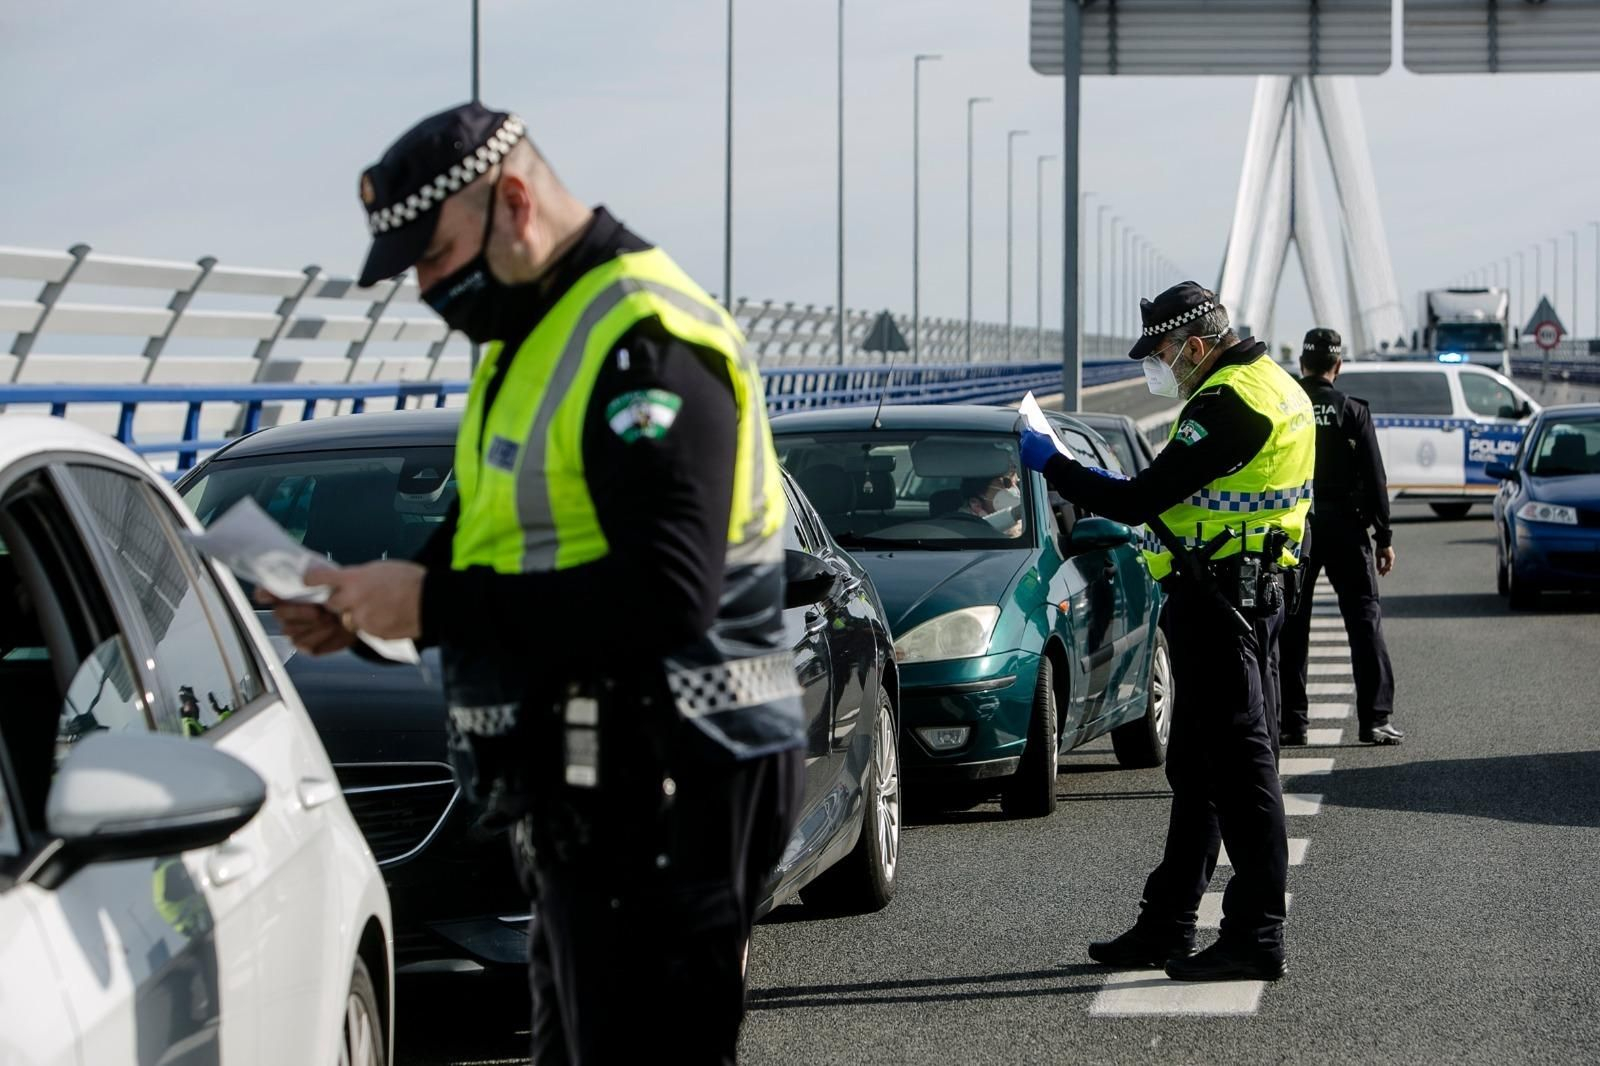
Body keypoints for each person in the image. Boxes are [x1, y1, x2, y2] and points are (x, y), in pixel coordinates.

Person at [266, 103, 805, 1064]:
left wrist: (429, 605)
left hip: (681, 778)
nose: (427, 288)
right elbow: (499, 535)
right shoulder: (531, 337)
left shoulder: (646, 337)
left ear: (513, 201)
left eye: (433, 257)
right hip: (592, 784)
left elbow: (668, 593)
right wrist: (363, 602)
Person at [1019, 282, 1314, 982]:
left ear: (1197, 344)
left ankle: (1256, 934)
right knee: (1198, 771)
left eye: (1162, 351)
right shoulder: (1279, 386)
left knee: (1241, 777)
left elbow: (1141, 498)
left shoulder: (1225, 402)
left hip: (1222, 605)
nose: (1159, 364)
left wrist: (1051, 462)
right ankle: (1168, 924)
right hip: (1243, 595)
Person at [1278, 328, 1401, 744]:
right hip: (1348, 527)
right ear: (1338, 365)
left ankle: (1291, 723)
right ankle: (1375, 719)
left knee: (1291, 625)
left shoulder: (1285, 407)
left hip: (1298, 527)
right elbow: (1374, 475)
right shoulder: (1352, 410)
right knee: (1364, 621)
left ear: (1301, 365)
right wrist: (1383, 536)